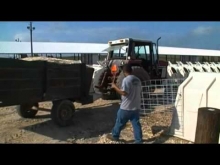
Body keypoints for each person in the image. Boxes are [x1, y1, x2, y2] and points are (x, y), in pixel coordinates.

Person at [107, 64, 143, 144]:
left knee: (119, 122)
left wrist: (114, 86)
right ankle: (138, 140)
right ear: (131, 70)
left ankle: (115, 136)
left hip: (126, 107)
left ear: (123, 72)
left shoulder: (126, 80)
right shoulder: (137, 80)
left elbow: (124, 93)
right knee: (136, 124)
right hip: (136, 107)